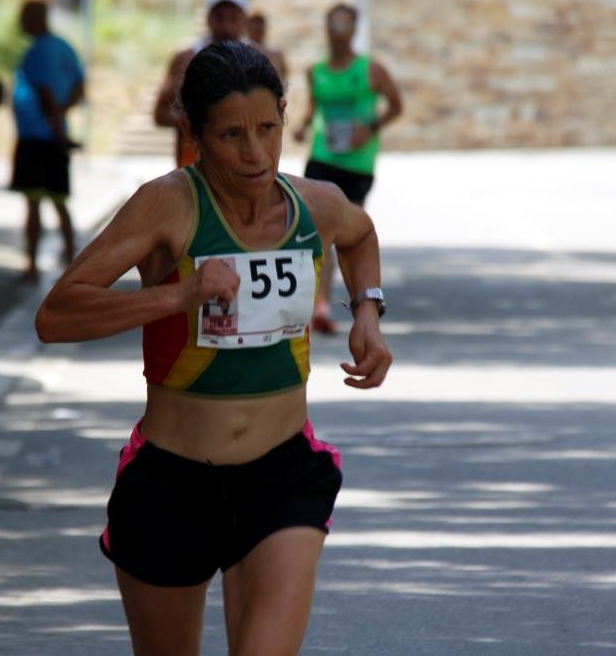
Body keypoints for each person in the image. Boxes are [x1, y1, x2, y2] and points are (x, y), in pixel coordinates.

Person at [36, 41, 392, 655]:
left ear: (285, 115)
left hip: (282, 476)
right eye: (231, 135)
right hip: (173, 483)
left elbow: (359, 235)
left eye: (268, 128)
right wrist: (176, 298)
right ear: (194, 133)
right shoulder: (168, 204)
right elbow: (57, 313)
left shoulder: (315, 205)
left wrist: (367, 312)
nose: (256, 153)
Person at [294, 3, 403, 334]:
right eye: (333, 25)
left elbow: (396, 106)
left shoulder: (371, 70)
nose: (338, 32)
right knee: (316, 232)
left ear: (354, 30)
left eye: (344, 25)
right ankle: (320, 305)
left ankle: (359, 304)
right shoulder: (316, 72)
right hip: (322, 156)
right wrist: (302, 126)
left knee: (348, 233)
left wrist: (369, 128)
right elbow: (313, 109)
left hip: (357, 163)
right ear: (326, 29)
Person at [155, 0, 282, 169]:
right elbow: (160, 114)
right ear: (208, 18)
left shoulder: (263, 59)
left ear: (244, 19)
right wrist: (209, 127)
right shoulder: (185, 58)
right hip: (195, 165)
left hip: (246, 167)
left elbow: (276, 112)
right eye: (219, 17)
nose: (226, 25)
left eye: (233, 17)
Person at [9, 0, 85, 283]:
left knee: (36, 202)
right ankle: (70, 258)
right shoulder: (64, 46)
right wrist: (63, 115)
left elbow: (44, 91)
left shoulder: (40, 50)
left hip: (39, 139)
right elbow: (79, 85)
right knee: (58, 200)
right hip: (51, 135)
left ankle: (32, 264)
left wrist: (55, 122)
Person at [246, 11, 288, 78]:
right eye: (253, 23)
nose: (257, 27)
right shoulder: (241, 50)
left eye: (260, 23)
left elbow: (284, 74)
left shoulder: (276, 52)